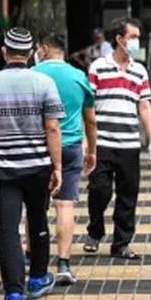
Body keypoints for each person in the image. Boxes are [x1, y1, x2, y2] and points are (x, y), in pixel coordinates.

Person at [0, 27, 65, 300]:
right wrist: (57, 166)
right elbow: (52, 127)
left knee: (8, 229)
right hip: (38, 167)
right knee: (38, 220)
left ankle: (13, 294)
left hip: (4, 171)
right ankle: (38, 279)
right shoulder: (45, 83)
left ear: (4, 51)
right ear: (31, 53)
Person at [86, 18, 151, 259]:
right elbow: (88, 105)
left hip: (129, 143)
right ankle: (95, 230)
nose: (137, 42)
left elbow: (144, 106)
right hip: (102, 142)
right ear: (119, 39)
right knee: (99, 190)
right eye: (133, 37)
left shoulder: (140, 70)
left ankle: (121, 243)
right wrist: (87, 140)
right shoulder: (98, 67)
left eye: (138, 37)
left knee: (128, 195)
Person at [33, 32, 98, 284]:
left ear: (44, 48)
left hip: (39, 146)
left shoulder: (34, 75)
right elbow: (90, 120)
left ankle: (31, 258)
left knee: (35, 206)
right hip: (71, 146)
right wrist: (92, 150)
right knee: (65, 205)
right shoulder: (79, 76)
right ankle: (63, 263)